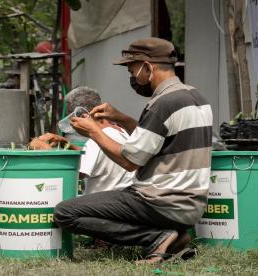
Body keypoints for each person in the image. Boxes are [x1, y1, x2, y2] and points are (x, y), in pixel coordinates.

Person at [54, 38, 213, 264]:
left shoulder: (162, 104)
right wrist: (121, 117)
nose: (133, 78)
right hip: (191, 207)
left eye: (132, 71)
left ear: (147, 67)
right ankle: (169, 235)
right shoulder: (197, 98)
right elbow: (155, 141)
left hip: (160, 202)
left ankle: (156, 237)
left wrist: (94, 132)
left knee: (64, 212)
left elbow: (130, 161)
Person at [30, 86, 134, 194]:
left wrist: (45, 150)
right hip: (121, 198)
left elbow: (72, 173)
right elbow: (97, 157)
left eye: (69, 115)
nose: (69, 121)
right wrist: (65, 143)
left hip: (99, 205)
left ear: (82, 115)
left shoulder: (97, 140)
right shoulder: (120, 131)